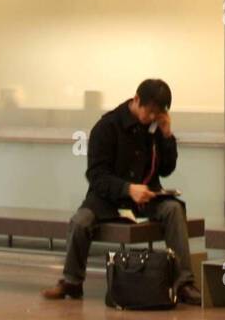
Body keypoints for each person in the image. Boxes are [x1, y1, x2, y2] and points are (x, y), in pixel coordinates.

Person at [41, 78, 203, 306]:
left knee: (173, 209)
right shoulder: (107, 127)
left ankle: (184, 283)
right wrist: (127, 189)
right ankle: (72, 281)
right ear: (137, 100)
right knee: (80, 222)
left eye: (160, 114)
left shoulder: (155, 130)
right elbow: (96, 175)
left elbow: (166, 169)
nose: (154, 118)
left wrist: (167, 136)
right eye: (151, 112)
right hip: (108, 198)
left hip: (146, 196)